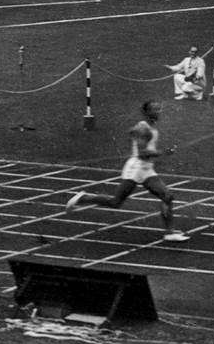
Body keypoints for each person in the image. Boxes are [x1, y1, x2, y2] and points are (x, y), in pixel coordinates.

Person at [66, 100, 189, 242]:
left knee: (167, 197)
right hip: (135, 169)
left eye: (159, 109)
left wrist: (135, 134)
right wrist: (163, 152)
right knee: (115, 202)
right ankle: (84, 198)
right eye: (155, 109)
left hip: (147, 170)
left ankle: (169, 232)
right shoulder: (144, 129)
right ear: (147, 112)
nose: (158, 112)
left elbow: (133, 134)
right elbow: (142, 153)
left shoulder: (147, 127)